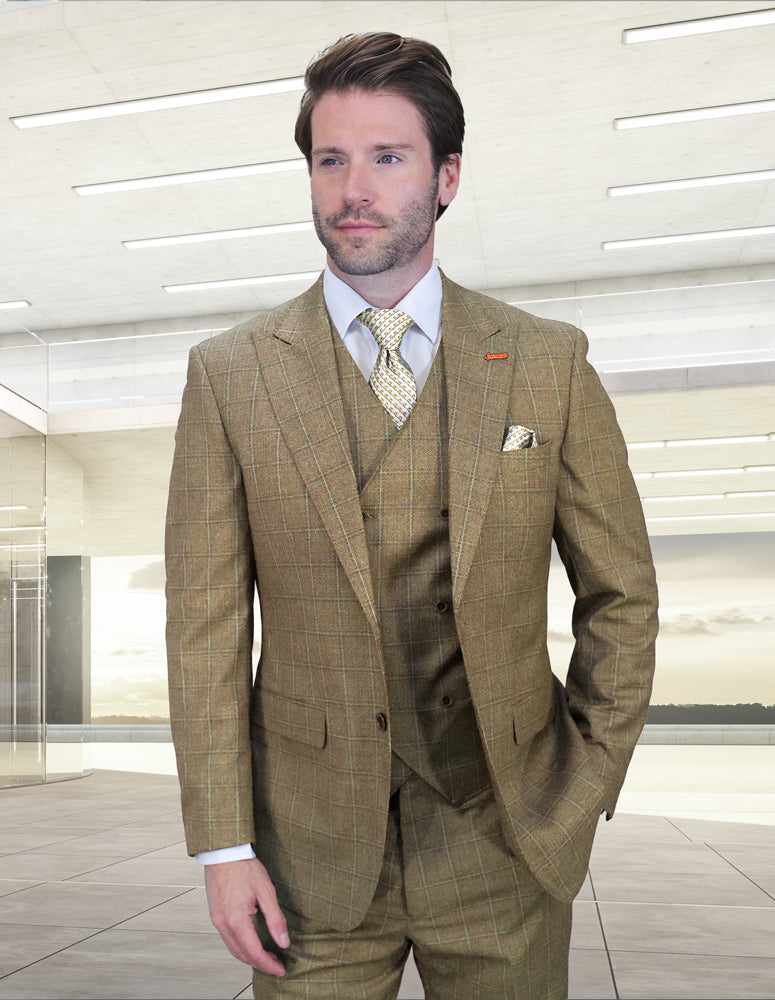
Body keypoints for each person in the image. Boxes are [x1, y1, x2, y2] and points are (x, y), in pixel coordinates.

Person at [166, 31, 658, 1000]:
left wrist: (583, 781)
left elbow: (622, 596)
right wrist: (223, 845)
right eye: (330, 158)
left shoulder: (545, 361)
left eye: (388, 157)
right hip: (307, 853)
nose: (355, 187)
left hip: (504, 834)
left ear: (446, 176)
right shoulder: (230, 374)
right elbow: (204, 627)